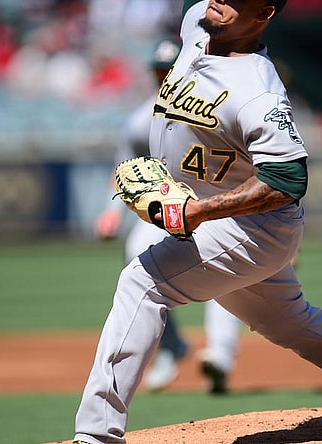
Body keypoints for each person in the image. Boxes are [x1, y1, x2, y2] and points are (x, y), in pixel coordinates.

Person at [72, 1, 322, 442]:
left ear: (263, 12)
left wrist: (197, 211)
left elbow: (288, 179)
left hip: (255, 229)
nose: (218, 0)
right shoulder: (200, 22)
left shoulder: (258, 89)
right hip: (218, 216)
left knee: (143, 281)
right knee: (292, 326)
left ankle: (97, 434)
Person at [94, 37, 241, 395]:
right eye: (159, 70)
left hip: (218, 205)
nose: (164, 75)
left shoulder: (218, 104)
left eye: (169, 68)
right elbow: (125, 168)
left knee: (229, 278)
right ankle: (172, 345)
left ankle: (220, 354)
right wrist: (113, 209)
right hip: (171, 211)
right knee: (136, 259)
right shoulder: (139, 120)